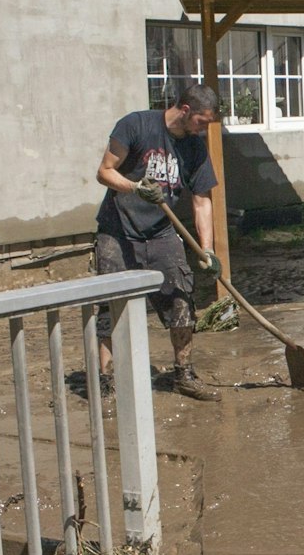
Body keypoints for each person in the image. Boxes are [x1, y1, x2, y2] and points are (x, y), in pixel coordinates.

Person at [93, 84, 222, 402]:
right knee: (112, 307)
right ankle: (105, 383)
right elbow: (104, 172)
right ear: (186, 111)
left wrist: (207, 250)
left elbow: (202, 201)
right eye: (202, 122)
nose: (204, 130)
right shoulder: (135, 125)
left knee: (181, 302)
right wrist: (136, 188)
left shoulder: (194, 148)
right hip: (118, 229)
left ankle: (184, 375)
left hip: (162, 233)